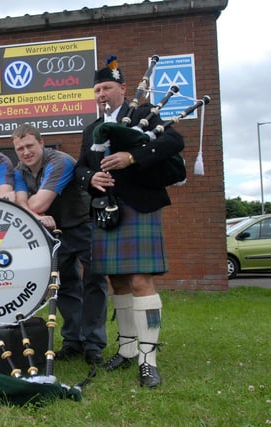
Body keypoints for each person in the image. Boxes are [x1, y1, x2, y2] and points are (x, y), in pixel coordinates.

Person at [75, 56, 185, 388]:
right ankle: (126, 349)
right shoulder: (91, 129)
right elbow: (80, 168)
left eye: (106, 87)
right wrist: (91, 178)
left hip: (139, 207)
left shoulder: (141, 114)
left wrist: (132, 156)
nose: (101, 94)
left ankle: (148, 360)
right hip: (107, 212)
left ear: (123, 89)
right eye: (96, 90)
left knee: (139, 282)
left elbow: (174, 142)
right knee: (118, 284)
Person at [11, 123, 108, 366]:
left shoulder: (60, 162)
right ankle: (73, 341)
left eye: (30, 145)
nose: (26, 152)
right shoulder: (19, 170)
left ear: (41, 143)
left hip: (84, 225)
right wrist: (30, 210)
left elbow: (36, 204)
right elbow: (21, 202)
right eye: (20, 148)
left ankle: (93, 344)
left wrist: (28, 208)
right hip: (55, 232)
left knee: (94, 282)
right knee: (64, 285)